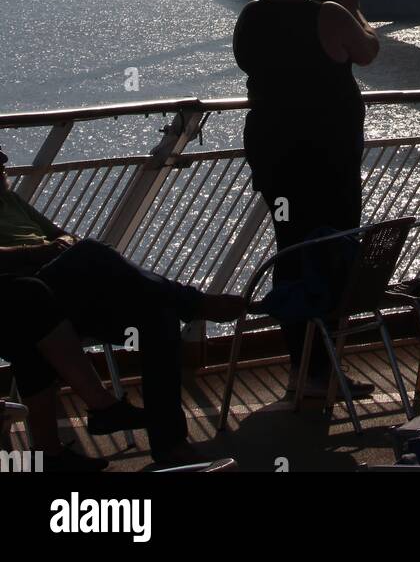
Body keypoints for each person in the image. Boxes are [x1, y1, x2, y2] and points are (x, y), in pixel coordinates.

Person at [0, 147, 244, 467]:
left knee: (158, 316)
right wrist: (36, 252)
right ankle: (192, 302)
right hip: (20, 294)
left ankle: (169, 444)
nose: (3, 170)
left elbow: (63, 235)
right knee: (89, 253)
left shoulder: (11, 201)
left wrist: (58, 247)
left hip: (59, 291)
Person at [232, 0, 379, 393]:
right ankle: (322, 371)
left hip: (275, 161)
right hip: (328, 163)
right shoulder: (331, 15)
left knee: (292, 254)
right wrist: (358, 13)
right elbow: (368, 51)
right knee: (334, 258)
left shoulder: (250, 18)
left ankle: (303, 368)